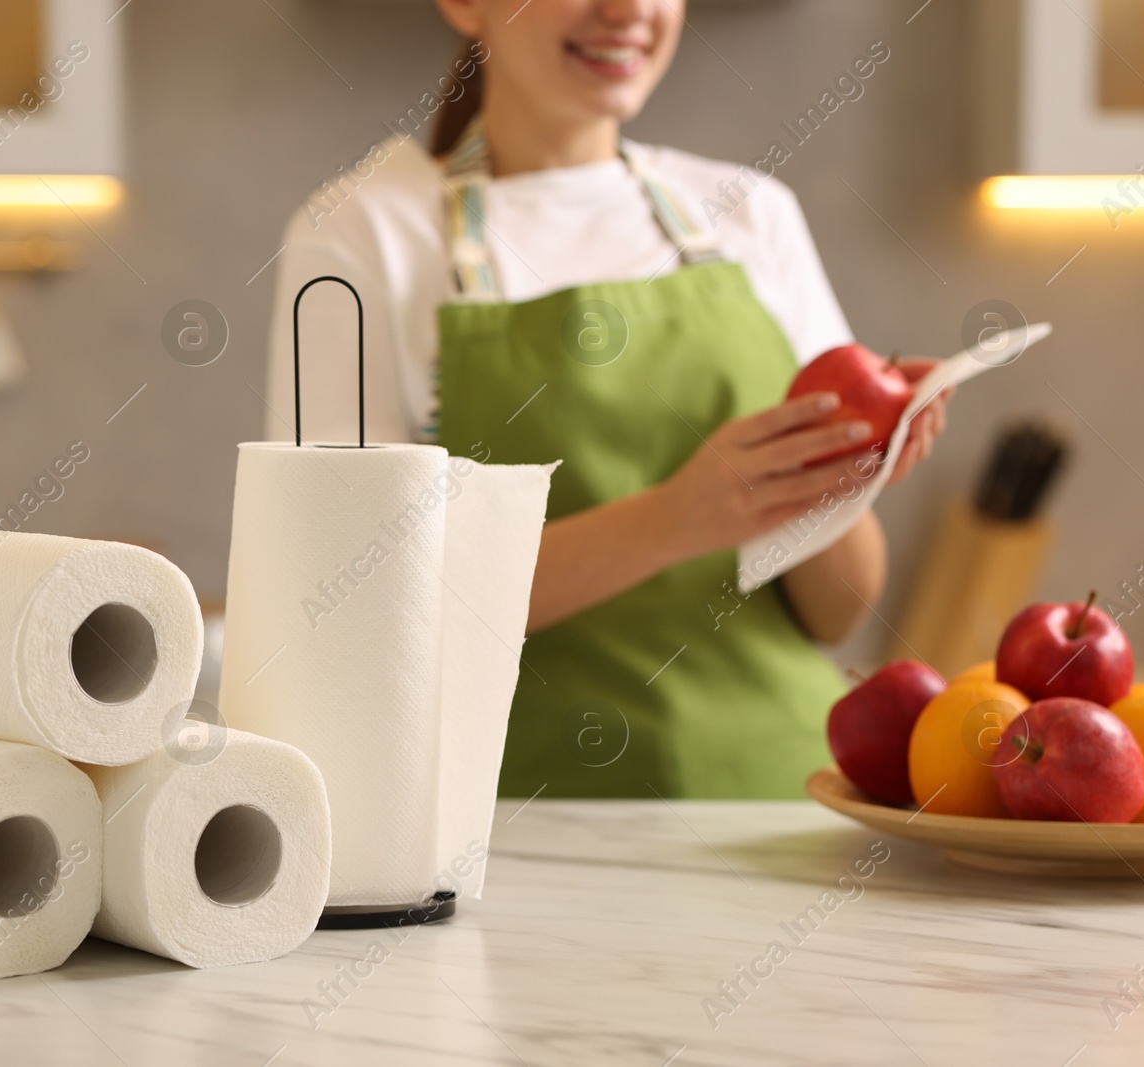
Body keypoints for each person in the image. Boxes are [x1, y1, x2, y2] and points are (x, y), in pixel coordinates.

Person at [264, 0, 950, 799]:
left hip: (785, 806)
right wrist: (677, 517)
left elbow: (836, 615)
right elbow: (366, 605)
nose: (629, 10)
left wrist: (848, 469)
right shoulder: (356, 236)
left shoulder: (751, 215)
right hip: (528, 824)